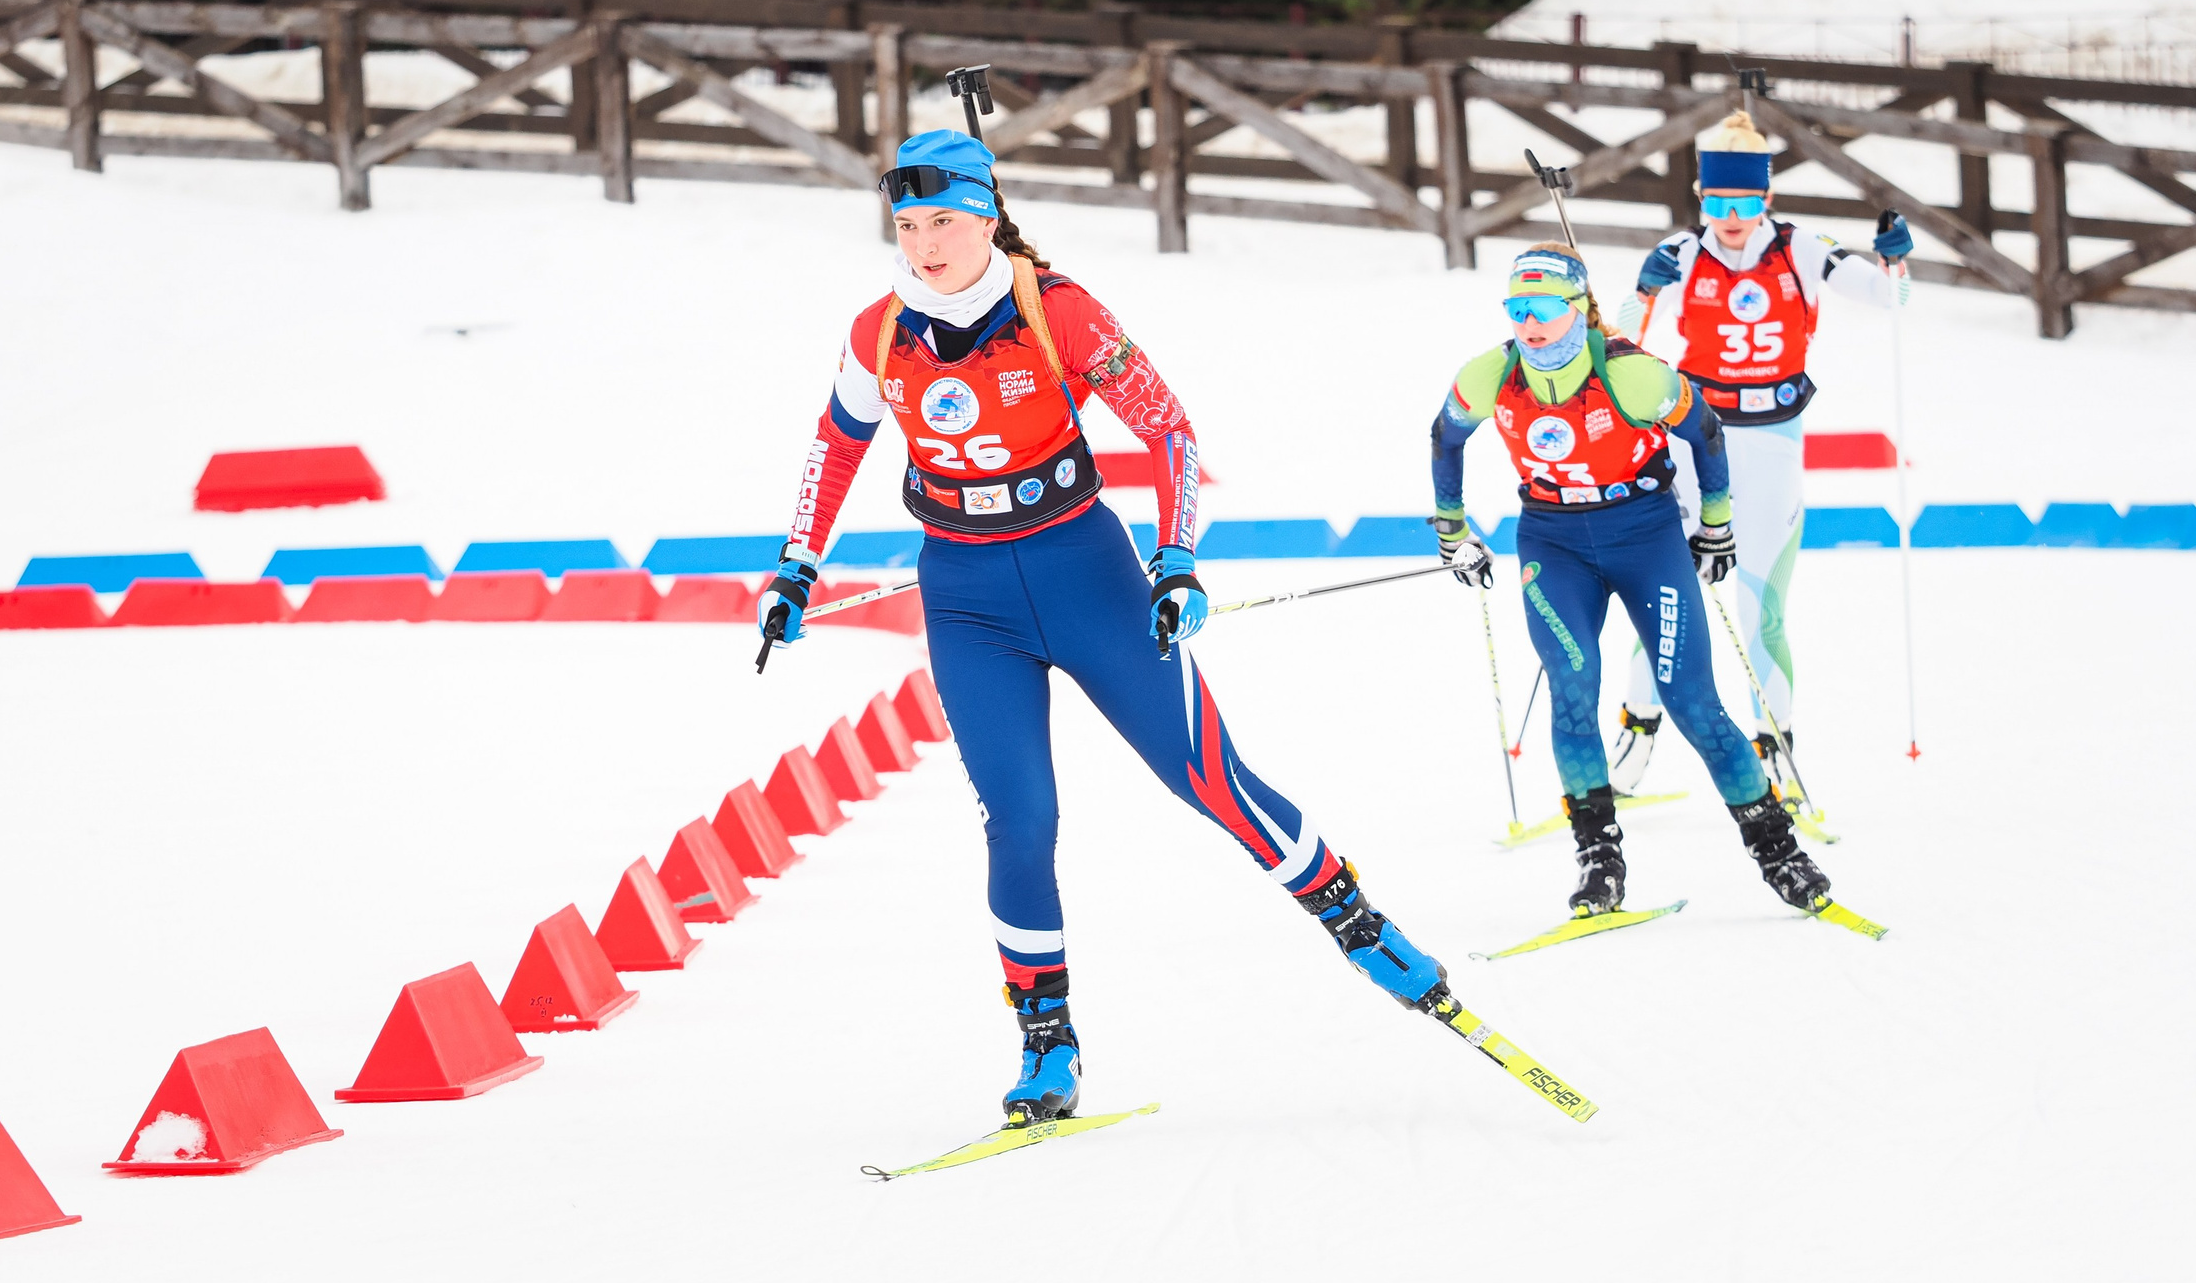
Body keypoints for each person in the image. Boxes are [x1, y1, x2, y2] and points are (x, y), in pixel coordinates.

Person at [762, 127, 1465, 1124]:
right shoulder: (878, 332)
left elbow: (1168, 430)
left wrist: (1175, 561)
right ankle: (1046, 1043)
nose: (923, 242)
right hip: (965, 599)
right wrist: (797, 564)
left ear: (987, 215)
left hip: (1086, 574)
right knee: (1020, 820)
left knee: (1207, 778)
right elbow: (833, 449)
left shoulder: (1059, 312)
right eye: (907, 222)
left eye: (945, 221)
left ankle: (1358, 923)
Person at [1427, 242, 1832, 919]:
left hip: (1644, 535)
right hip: (1553, 542)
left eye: (1546, 309)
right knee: (1574, 687)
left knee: (1692, 700)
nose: (1529, 324)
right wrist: (1450, 529)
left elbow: (1704, 430)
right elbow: (1444, 435)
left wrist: (1717, 523)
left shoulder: (1633, 374)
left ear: (1578, 307)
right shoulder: (1490, 374)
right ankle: (1599, 860)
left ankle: (1777, 850)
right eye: (1517, 308)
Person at [1605, 111, 1912, 801]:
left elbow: (1891, 296)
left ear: (1766, 198)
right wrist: (1644, 288)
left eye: (1744, 203)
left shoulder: (1802, 247)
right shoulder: (1683, 250)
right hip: (1696, 445)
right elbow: (1621, 337)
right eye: (1716, 203)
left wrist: (1895, 257)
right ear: (1700, 197)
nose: (1730, 217)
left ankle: (1776, 749)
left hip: (1773, 443)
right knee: (1670, 595)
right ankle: (1637, 732)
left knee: (1761, 604)